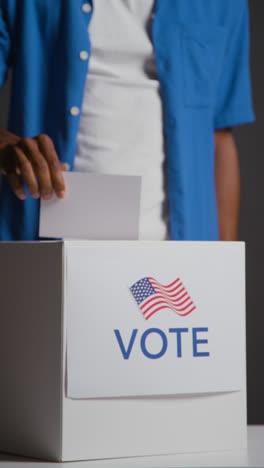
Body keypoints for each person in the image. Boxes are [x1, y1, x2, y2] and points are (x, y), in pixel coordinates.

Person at [0, 0, 255, 241]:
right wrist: (7, 149)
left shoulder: (225, 4)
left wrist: (225, 274)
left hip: (176, 257)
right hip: (50, 244)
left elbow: (219, 139)